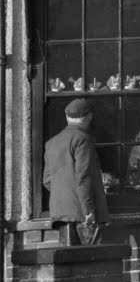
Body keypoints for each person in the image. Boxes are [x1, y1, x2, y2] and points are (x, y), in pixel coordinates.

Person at [44, 99, 108, 246]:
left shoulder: (52, 142)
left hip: (60, 213)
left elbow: (47, 180)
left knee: (67, 264)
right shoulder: (83, 139)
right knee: (88, 264)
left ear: (67, 118)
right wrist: (88, 211)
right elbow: (83, 178)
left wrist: (65, 195)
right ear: (89, 117)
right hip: (82, 216)